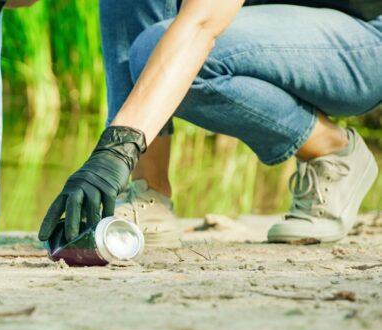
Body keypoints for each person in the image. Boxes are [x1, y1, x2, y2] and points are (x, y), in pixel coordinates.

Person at [37, 0, 382, 246]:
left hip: (364, 40)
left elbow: (202, 25)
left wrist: (115, 150)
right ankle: (150, 194)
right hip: (275, 28)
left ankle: (332, 150)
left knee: (158, 49)